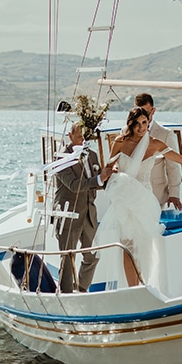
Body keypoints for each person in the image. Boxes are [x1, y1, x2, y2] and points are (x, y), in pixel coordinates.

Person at [96, 107, 182, 287]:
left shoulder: (155, 144)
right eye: (137, 123)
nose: (141, 127)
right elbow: (108, 167)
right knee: (127, 247)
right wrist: (114, 169)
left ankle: (144, 284)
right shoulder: (120, 142)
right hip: (125, 199)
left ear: (148, 123)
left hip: (144, 201)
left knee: (144, 246)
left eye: (144, 123)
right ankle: (133, 288)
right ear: (130, 124)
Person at [53, 122, 115, 293]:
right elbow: (74, 185)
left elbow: (98, 182)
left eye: (84, 137)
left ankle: (81, 289)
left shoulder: (92, 155)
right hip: (68, 213)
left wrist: (110, 176)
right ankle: (66, 294)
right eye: (79, 137)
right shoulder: (61, 158)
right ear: (70, 136)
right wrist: (99, 179)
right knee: (67, 258)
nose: (82, 140)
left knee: (93, 255)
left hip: (89, 214)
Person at [134, 92, 182, 210]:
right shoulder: (126, 132)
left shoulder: (165, 134)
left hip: (157, 194)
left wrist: (174, 193)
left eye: (146, 112)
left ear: (153, 111)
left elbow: (173, 166)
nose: (142, 116)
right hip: (133, 194)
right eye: (138, 112)